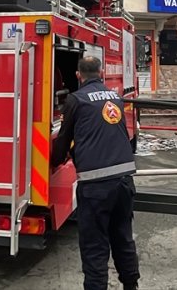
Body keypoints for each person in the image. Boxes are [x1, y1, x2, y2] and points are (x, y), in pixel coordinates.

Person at [51, 56, 139, 290]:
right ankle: (131, 285)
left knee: (94, 246)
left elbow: (64, 138)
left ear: (78, 75)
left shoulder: (75, 99)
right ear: (102, 73)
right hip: (124, 182)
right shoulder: (115, 97)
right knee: (123, 238)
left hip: (95, 187)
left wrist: (53, 161)